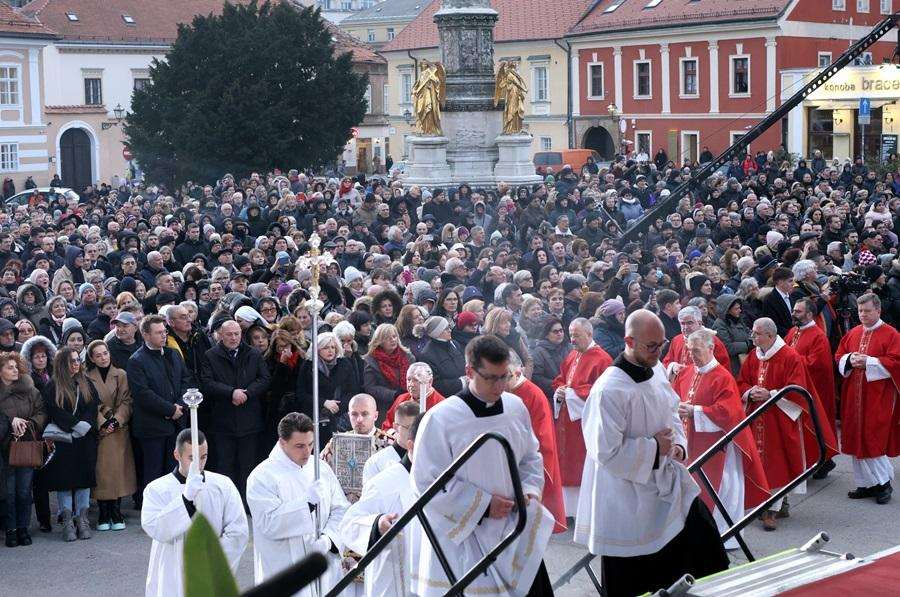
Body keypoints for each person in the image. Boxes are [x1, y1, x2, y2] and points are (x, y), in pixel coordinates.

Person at [575, 310, 729, 597]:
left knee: (705, 546)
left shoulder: (655, 369)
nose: (659, 353)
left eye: (662, 344)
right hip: (627, 498)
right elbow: (605, 451)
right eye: (651, 346)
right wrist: (656, 447)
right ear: (629, 341)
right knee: (637, 577)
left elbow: (671, 411)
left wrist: (679, 445)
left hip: (666, 484)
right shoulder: (609, 389)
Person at [411, 334, 554, 596]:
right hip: (467, 536)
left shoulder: (515, 407)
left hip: (514, 525)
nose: (500, 386)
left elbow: (530, 457)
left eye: (504, 376)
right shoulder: (441, 418)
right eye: (491, 378)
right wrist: (484, 505)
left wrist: (530, 491)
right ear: (469, 371)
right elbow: (426, 483)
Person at [737, 317, 838, 530]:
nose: (752, 337)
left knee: (778, 463)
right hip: (758, 417)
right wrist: (749, 392)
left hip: (780, 418)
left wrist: (771, 394)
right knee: (761, 463)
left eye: (756, 333)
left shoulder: (789, 356)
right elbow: (742, 380)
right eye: (753, 333)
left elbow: (797, 389)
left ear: (771, 335)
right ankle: (774, 504)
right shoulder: (755, 356)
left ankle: (771, 510)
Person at [673, 328, 769, 549]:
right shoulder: (687, 373)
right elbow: (673, 397)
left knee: (723, 488)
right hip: (691, 441)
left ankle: (725, 537)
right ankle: (696, 533)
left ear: (710, 348)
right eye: (689, 351)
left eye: (696, 351)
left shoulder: (722, 377)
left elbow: (728, 412)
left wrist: (695, 411)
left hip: (719, 445)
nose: (692, 356)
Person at [247, 412, 349, 594]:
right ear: (282, 442)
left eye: (310, 444)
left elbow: (340, 509)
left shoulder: (320, 469)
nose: (307, 452)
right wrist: (306, 504)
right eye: (299, 446)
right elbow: (269, 523)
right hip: (284, 570)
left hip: (323, 567)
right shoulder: (262, 477)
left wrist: (329, 538)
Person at [141, 429, 248, 597]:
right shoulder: (156, 489)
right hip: (171, 573)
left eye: (203, 457)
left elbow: (238, 531)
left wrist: (212, 558)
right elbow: (156, 529)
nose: (198, 465)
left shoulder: (223, 485)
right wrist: (186, 498)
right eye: (192, 458)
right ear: (177, 455)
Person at [340, 412, 422, 597]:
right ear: (412, 446)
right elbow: (349, 524)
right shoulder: (384, 483)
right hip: (394, 583)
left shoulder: (445, 479)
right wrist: (377, 524)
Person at [835, 293, 900, 504]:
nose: (862, 314)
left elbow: (896, 362)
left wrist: (870, 362)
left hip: (877, 397)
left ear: (878, 311)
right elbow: (839, 356)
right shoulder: (853, 333)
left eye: (867, 311)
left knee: (872, 438)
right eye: (860, 311)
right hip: (853, 396)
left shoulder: (891, 334)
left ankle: (883, 484)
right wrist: (849, 359)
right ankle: (865, 484)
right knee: (856, 437)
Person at [200, 319, 270, 503]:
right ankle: (227, 502)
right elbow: (207, 383)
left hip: (249, 420)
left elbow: (264, 379)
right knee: (226, 465)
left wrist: (247, 393)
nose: (233, 337)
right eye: (229, 334)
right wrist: (231, 393)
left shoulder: (253, 354)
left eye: (236, 334)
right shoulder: (210, 355)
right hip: (223, 420)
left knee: (248, 464)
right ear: (221, 335)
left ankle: (247, 501)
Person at [552, 317, 611, 513]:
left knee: (580, 462)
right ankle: (568, 510)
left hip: (585, 422)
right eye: (571, 336)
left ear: (589, 334)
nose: (572, 340)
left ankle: (582, 511)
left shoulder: (602, 359)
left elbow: (601, 392)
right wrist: (560, 391)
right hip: (568, 420)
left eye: (576, 336)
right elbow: (561, 379)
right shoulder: (572, 355)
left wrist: (570, 393)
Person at [127, 315, 192, 493]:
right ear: (145, 335)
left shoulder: (174, 354)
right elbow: (142, 394)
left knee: (174, 470)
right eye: (158, 333)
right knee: (154, 473)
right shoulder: (136, 361)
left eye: (165, 331)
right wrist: (170, 409)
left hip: (176, 424)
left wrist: (180, 406)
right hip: (152, 427)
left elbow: (186, 381)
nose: (164, 336)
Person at [41, 347, 99, 542]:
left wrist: (84, 425)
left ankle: (82, 521)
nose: (76, 364)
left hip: (85, 440)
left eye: (77, 360)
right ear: (62, 364)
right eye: (71, 361)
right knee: (64, 482)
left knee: (84, 480)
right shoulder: (52, 386)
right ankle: (67, 522)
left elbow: (92, 407)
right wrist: (74, 425)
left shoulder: (87, 383)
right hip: (64, 441)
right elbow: (54, 410)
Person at [507, 353, 565, 533]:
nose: (500, 382)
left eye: (506, 376)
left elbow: (541, 435)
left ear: (517, 372)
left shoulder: (532, 394)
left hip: (524, 458)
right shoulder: (507, 391)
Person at [85, 340, 136, 532]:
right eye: (98, 355)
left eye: (105, 353)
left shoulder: (121, 374)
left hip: (119, 429)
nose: (103, 357)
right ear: (92, 358)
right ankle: (103, 512)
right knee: (102, 472)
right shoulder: (86, 376)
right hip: (100, 429)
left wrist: (116, 420)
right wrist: (103, 421)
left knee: (118, 471)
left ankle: (116, 510)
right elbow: (89, 402)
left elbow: (127, 400)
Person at [785, 297, 838, 479]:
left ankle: (824, 460)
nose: (794, 314)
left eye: (798, 311)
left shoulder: (818, 336)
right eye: (794, 310)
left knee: (816, 425)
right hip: (796, 386)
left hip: (814, 389)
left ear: (809, 314)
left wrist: (792, 362)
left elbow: (817, 364)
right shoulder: (793, 331)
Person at [0, 351, 45, 547]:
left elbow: (42, 411)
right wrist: (11, 421)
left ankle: (23, 528)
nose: (14, 370)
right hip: (4, 448)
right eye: (9, 367)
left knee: (24, 491)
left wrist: (30, 423)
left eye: (16, 366)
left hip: (26, 445)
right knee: (7, 493)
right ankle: (10, 529)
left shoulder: (29, 389)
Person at [663, 306, 730, 383]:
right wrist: (673, 366)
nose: (685, 327)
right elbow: (667, 361)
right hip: (679, 386)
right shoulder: (677, 340)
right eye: (682, 323)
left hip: (703, 384)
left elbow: (723, 370)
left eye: (689, 323)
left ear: (699, 323)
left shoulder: (712, 341)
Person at [362, 323, 413, 421]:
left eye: (394, 336)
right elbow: (370, 387)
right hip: (384, 408)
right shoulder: (371, 361)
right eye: (387, 338)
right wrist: (393, 394)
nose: (393, 340)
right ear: (379, 341)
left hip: (407, 404)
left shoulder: (408, 357)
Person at [363, 399, 417, 484]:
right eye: (410, 428)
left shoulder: (426, 458)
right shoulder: (376, 463)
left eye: (418, 428)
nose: (415, 433)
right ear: (395, 427)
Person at [380, 362, 444, 431]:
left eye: (416, 380)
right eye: (409, 379)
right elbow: (388, 425)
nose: (411, 384)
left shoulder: (441, 405)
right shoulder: (401, 399)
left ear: (430, 382)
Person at [417, 316, 466, 398]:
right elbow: (435, 384)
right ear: (437, 332)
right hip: (446, 399)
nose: (450, 330)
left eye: (449, 327)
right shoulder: (426, 355)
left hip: (464, 393)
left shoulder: (454, 344)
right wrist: (461, 382)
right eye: (446, 329)